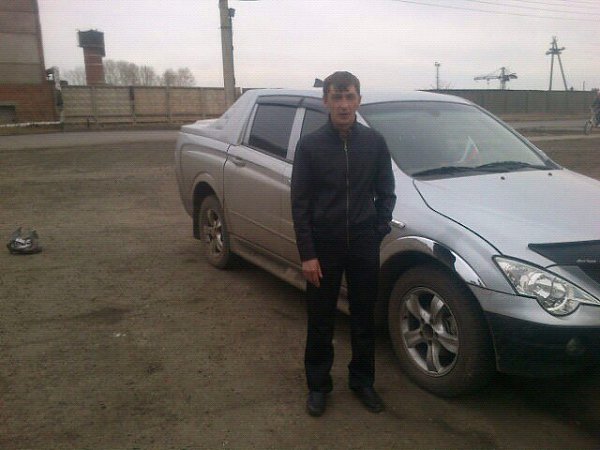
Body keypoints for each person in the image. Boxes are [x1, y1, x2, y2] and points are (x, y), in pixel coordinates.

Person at [291, 71, 396, 417]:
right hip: (324, 247)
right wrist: (308, 254)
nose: (343, 105)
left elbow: (387, 191)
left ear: (359, 100)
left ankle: (362, 381)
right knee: (321, 320)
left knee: (364, 318)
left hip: (364, 244)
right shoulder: (310, 146)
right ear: (326, 101)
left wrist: (378, 228)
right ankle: (318, 385)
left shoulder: (375, 142)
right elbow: (300, 203)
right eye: (336, 97)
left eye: (349, 97)